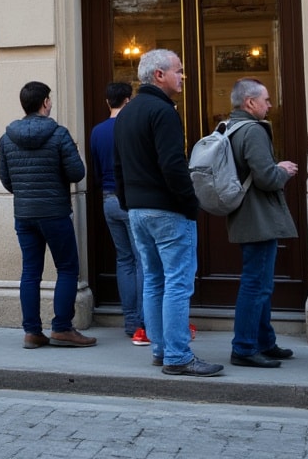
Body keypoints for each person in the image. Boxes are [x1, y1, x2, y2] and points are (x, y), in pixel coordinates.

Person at [113, 50, 223, 377]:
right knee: (176, 282)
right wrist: (189, 203)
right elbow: (173, 165)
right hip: (166, 210)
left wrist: (128, 201)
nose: (182, 76)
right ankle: (177, 355)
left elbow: (118, 166)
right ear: (159, 75)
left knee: (154, 280)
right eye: (178, 70)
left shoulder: (127, 113)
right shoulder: (163, 111)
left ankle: (162, 350)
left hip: (138, 209)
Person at [0, 81, 95, 349]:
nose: (51, 103)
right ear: (45, 103)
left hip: (24, 213)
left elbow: (6, 180)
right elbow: (77, 173)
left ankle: (32, 332)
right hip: (54, 212)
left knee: (30, 271)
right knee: (67, 268)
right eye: (49, 99)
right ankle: (62, 328)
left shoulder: (7, 138)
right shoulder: (59, 134)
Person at [225, 78, 299, 369]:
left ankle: (264, 342)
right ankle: (244, 347)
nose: (270, 105)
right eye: (266, 100)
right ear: (250, 102)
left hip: (247, 215)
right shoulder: (253, 130)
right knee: (256, 285)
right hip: (258, 217)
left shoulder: (230, 127)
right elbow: (266, 178)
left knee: (260, 284)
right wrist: (283, 170)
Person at [90, 81, 146, 344]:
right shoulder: (131, 126)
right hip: (131, 199)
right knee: (142, 260)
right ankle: (143, 322)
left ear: (107, 102)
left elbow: (96, 170)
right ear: (128, 100)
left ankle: (130, 320)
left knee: (124, 259)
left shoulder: (97, 131)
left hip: (108, 199)